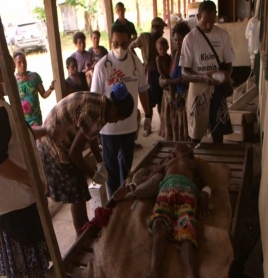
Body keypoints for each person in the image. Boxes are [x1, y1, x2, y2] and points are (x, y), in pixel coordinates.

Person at [0, 44, 51, 277]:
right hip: (14, 204)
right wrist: (30, 178)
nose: (14, 76)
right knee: (28, 268)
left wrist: (45, 129)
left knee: (28, 268)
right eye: (9, 70)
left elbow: (17, 136)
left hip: (11, 201)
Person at [37, 85, 135, 235]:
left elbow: (90, 135)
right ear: (115, 110)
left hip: (63, 139)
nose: (115, 122)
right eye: (118, 119)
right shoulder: (94, 113)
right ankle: (81, 235)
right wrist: (92, 174)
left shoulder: (102, 104)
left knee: (80, 189)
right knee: (77, 192)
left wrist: (99, 161)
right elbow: (74, 153)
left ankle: (84, 227)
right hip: (54, 143)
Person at [113, 143, 211, 278]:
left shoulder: (193, 163)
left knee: (186, 228)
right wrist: (128, 187)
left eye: (176, 147)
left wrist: (204, 198)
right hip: (165, 189)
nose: (173, 149)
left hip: (186, 190)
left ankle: (190, 273)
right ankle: (155, 271)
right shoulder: (167, 163)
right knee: (158, 223)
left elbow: (206, 184)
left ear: (187, 150)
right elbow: (149, 178)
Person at [91, 24, 152, 197]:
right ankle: (114, 204)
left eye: (124, 44)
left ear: (130, 42)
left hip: (130, 126)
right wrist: (96, 128)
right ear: (110, 42)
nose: (120, 48)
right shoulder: (102, 67)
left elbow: (143, 90)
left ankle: (124, 197)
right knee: (111, 172)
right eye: (115, 44)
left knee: (126, 168)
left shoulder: (135, 62)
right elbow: (95, 99)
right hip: (108, 129)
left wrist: (148, 115)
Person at [180, 1, 235, 144]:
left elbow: (229, 63)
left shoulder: (223, 35)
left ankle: (217, 158)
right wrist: (202, 77)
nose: (209, 25)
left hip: (218, 86)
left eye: (212, 21)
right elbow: (184, 73)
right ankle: (194, 162)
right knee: (196, 130)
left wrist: (227, 75)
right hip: (198, 88)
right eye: (205, 21)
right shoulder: (190, 39)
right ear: (198, 17)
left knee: (219, 129)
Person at [129, 17, 167, 136]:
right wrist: (139, 63)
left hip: (160, 75)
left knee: (162, 100)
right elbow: (130, 47)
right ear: (155, 28)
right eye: (161, 29)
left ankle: (163, 126)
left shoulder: (160, 40)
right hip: (149, 74)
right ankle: (148, 127)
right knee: (148, 102)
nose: (162, 32)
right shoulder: (144, 38)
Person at [158, 21, 191, 141]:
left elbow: (185, 78)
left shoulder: (190, 55)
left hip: (183, 97)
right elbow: (167, 73)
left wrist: (167, 82)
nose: (178, 43)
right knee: (173, 131)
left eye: (181, 40)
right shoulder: (174, 54)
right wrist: (162, 80)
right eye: (176, 40)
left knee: (184, 132)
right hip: (171, 97)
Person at [13, 51, 55, 126]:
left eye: (24, 61)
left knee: (38, 137)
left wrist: (51, 88)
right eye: (19, 62)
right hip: (22, 120)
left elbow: (44, 95)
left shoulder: (33, 76)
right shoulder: (13, 81)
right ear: (14, 64)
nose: (23, 64)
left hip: (36, 118)